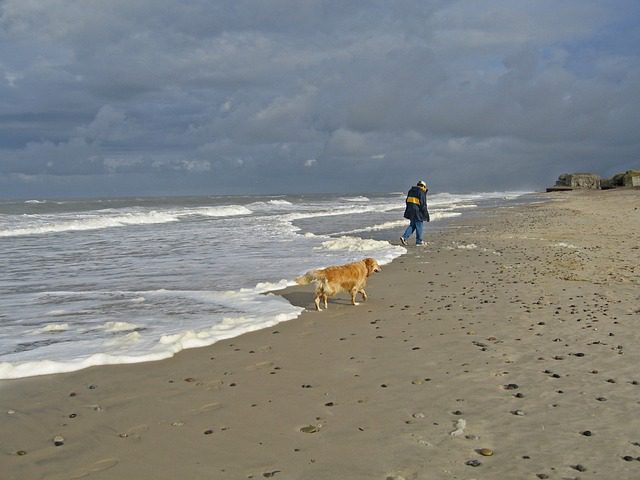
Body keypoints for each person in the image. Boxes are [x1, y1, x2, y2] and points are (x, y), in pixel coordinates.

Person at [400, 180, 430, 246]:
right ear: (423, 186)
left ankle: (404, 237)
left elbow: (407, 201)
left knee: (413, 225)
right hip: (417, 211)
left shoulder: (411, 191)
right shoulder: (421, 192)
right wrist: (426, 215)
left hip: (410, 210)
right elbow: (423, 204)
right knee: (419, 225)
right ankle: (419, 241)